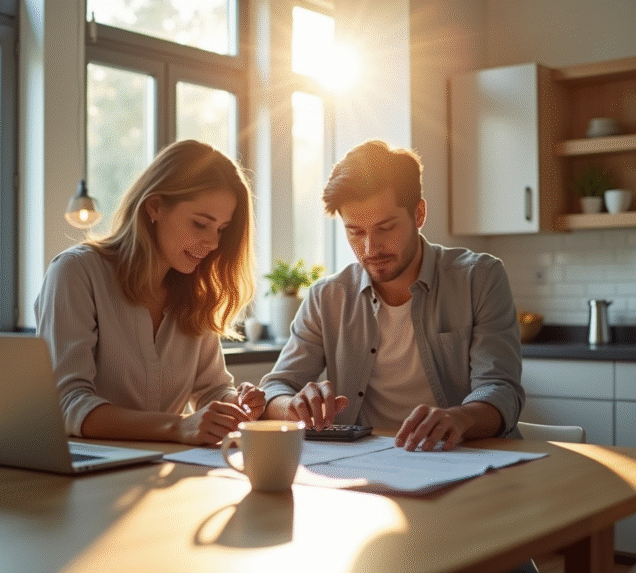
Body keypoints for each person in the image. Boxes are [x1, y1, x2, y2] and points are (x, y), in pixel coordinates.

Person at [260, 139, 525, 453]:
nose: (370, 249)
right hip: (367, 462)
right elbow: (274, 389)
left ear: (419, 214)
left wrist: (459, 419)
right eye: (355, 231)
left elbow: (501, 390)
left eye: (385, 227)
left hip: (463, 457)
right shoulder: (327, 297)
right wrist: (293, 406)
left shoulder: (479, 278)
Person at [35, 140, 265, 446]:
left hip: (164, 469)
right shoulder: (77, 272)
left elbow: (211, 390)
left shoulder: (196, 293)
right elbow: (66, 405)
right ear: (155, 206)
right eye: (200, 224)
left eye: (221, 229)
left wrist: (235, 405)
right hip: (86, 474)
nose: (212, 243)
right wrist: (177, 426)